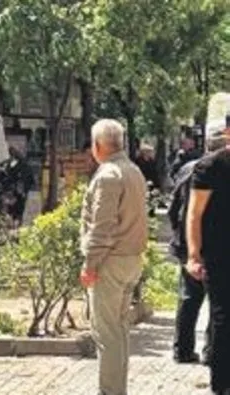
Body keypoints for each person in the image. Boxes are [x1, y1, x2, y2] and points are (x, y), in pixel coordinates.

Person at [79, 119, 148, 395]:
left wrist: (90, 264)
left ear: (97, 146)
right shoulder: (133, 171)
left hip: (111, 260)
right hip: (131, 259)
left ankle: (110, 391)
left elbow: (102, 225)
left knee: (107, 334)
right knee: (118, 331)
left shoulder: (108, 175)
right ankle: (116, 389)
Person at [167, 128, 226, 365]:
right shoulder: (211, 172)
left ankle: (182, 349)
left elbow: (174, 209)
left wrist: (179, 237)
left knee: (189, 297)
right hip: (210, 245)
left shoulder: (186, 169)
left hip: (186, 243)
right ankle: (211, 351)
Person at [185, 117, 230, 395]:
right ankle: (222, 383)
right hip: (219, 253)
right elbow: (194, 213)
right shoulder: (210, 167)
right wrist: (193, 254)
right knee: (223, 317)